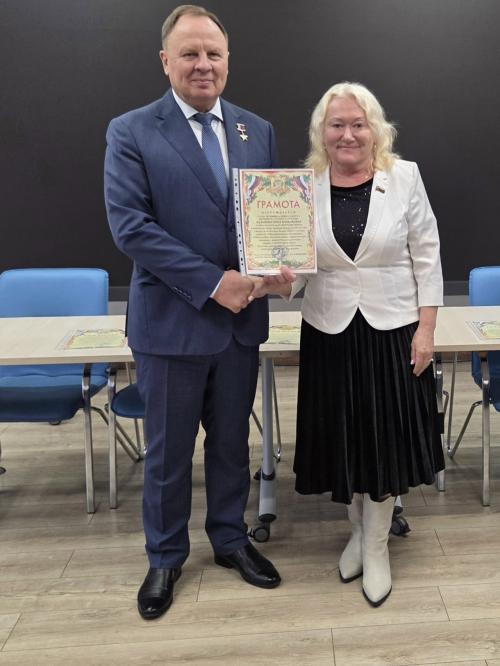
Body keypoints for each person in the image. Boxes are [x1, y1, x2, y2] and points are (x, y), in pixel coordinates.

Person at [104, 4, 281, 621]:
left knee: (232, 445)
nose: (203, 64)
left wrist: (280, 265)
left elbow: (267, 218)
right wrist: (212, 284)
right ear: (166, 61)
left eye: (213, 54)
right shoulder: (131, 131)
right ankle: (165, 556)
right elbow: (132, 228)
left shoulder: (256, 130)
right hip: (172, 325)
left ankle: (230, 539)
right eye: (190, 53)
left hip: (239, 328)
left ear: (228, 62)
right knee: (168, 453)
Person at [255, 82, 444, 607]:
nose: (348, 134)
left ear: (376, 129)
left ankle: (377, 546)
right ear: (322, 133)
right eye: (336, 125)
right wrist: (275, 280)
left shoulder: (404, 177)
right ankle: (357, 532)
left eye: (358, 124)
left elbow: (428, 256)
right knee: (344, 436)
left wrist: (427, 329)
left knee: (383, 441)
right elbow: (300, 271)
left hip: (393, 330)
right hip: (329, 330)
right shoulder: (303, 187)